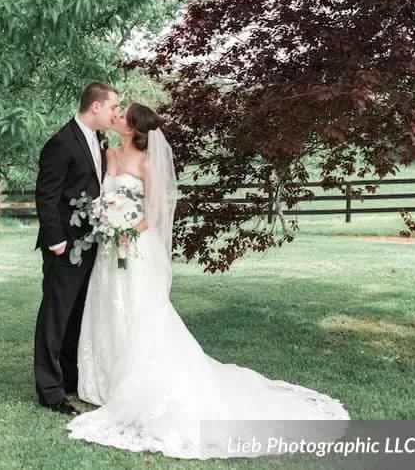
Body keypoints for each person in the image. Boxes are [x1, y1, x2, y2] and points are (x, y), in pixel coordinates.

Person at [66, 103, 350, 459]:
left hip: (135, 247)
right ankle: (103, 382)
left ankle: (137, 384)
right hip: (109, 250)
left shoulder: (146, 162)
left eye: (123, 115)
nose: (118, 116)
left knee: (139, 311)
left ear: (133, 127)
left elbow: (153, 214)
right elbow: (104, 197)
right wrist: (106, 222)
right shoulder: (108, 154)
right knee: (107, 306)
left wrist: (125, 230)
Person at [33, 81, 119, 415]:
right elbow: (47, 195)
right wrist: (56, 241)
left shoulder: (98, 140)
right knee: (55, 316)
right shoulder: (61, 143)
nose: (116, 113)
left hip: (91, 242)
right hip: (64, 246)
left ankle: (69, 378)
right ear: (95, 106)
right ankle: (50, 390)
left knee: (77, 315)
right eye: (113, 106)